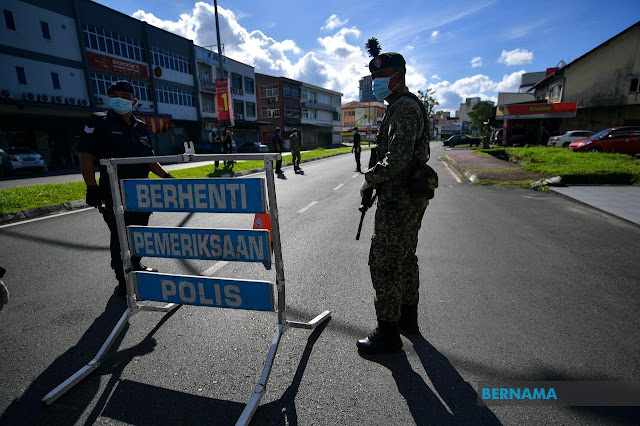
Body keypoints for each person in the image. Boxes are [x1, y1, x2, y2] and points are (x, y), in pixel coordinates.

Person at [357, 38, 431, 353]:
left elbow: (398, 158)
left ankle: (388, 333)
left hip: (401, 198)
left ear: (399, 74)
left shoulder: (404, 107)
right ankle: (406, 320)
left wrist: (368, 180)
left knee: (385, 262)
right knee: (405, 259)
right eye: (374, 79)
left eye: (382, 77)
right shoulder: (398, 107)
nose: (377, 83)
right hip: (403, 196)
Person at [78, 80, 173, 297]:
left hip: (141, 192)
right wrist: (91, 186)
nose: (120, 99)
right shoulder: (99, 121)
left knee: (139, 233)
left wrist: (166, 176)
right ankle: (123, 279)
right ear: (109, 99)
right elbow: (85, 154)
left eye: (125, 96)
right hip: (114, 191)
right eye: (115, 95)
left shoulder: (140, 126)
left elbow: (149, 158)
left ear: (134, 101)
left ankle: (136, 267)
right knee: (120, 235)